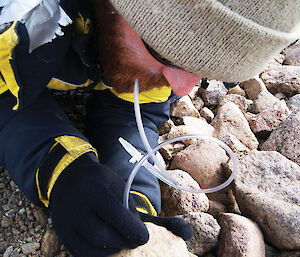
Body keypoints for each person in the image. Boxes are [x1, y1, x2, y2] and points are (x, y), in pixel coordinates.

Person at [0, 0, 299, 256]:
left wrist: (134, 195)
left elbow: (131, 113)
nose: (183, 87)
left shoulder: (159, 52)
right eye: (170, 54)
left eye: (207, 69)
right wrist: (63, 171)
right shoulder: (21, 17)